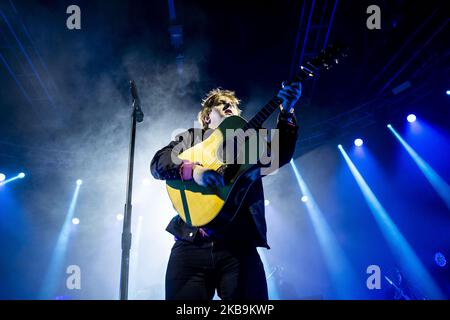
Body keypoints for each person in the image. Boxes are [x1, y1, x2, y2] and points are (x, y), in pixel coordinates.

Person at [150, 82, 301, 300]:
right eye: (221, 104)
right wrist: (193, 171)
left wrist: (287, 111)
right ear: (206, 117)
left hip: (239, 247)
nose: (229, 106)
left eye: (232, 105)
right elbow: (158, 163)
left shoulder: (253, 142)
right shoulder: (194, 138)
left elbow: (279, 156)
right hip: (190, 245)